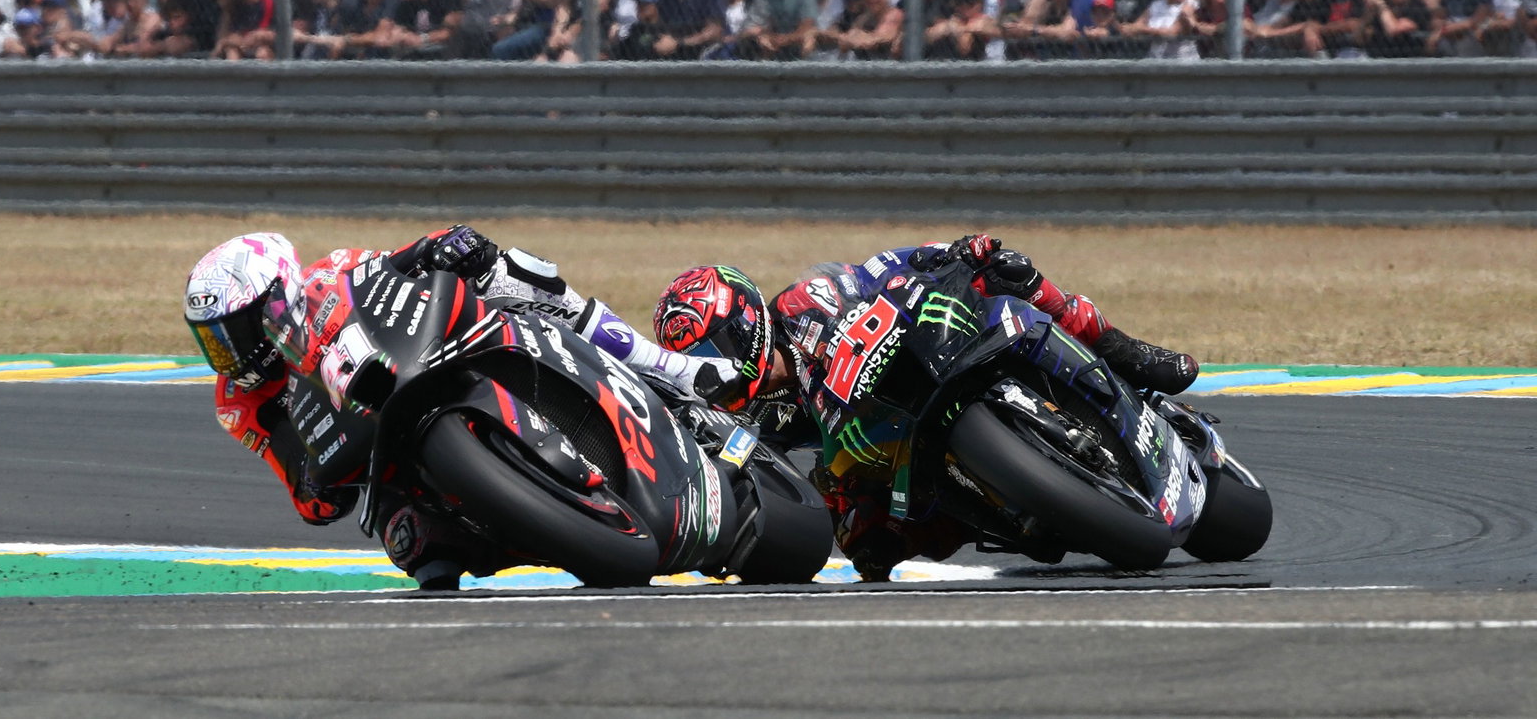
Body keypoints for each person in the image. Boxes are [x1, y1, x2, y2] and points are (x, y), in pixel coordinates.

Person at [184, 225, 741, 590]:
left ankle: (663, 368)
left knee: (512, 272)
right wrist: (315, 485)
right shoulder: (238, 401)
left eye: (235, 332)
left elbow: (398, 265)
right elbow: (306, 494)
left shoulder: (330, 274)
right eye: (213, 340)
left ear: (280, 296)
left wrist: (443, 245)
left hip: (431, 355)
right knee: (416, 549)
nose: (228, 354)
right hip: (386, 452)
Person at [650, 234, 1198, 580]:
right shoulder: (749, 419)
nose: (710, 364)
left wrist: (944, 255)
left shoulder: (803, 301)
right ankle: (1009, 511)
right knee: (866, 547)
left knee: (1006, 270)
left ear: (745, 320)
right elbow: (754, 477)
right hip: (884, 444)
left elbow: (876, 271)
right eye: (694, 357)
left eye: (712, 346)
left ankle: (1124, 352)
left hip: (929, 352)